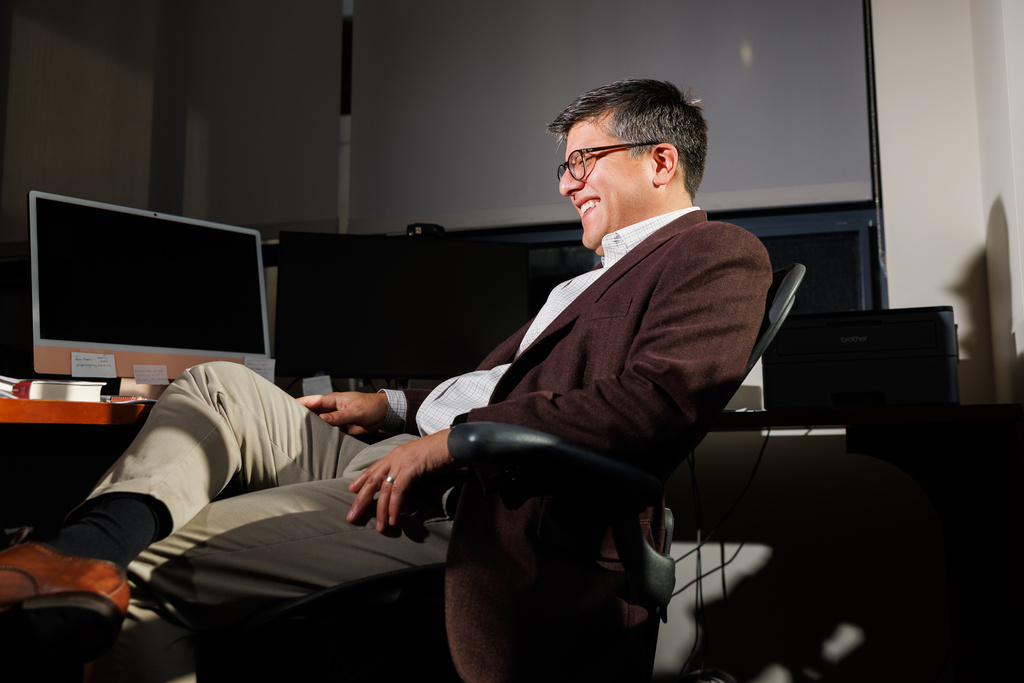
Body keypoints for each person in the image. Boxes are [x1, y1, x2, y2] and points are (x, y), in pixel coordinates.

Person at [0, 78, 772, 682]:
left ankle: (91, 566)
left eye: (582, 160)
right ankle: (75, 550)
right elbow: (498, 383)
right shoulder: (592, 276)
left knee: (150, 571)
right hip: (416, 451)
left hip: (480, 504)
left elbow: (655, 405)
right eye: (564, 165)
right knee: (217, 385)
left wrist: (453, 446)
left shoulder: (715, 254)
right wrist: (390, 403)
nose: (566, 184)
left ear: (661, 161)